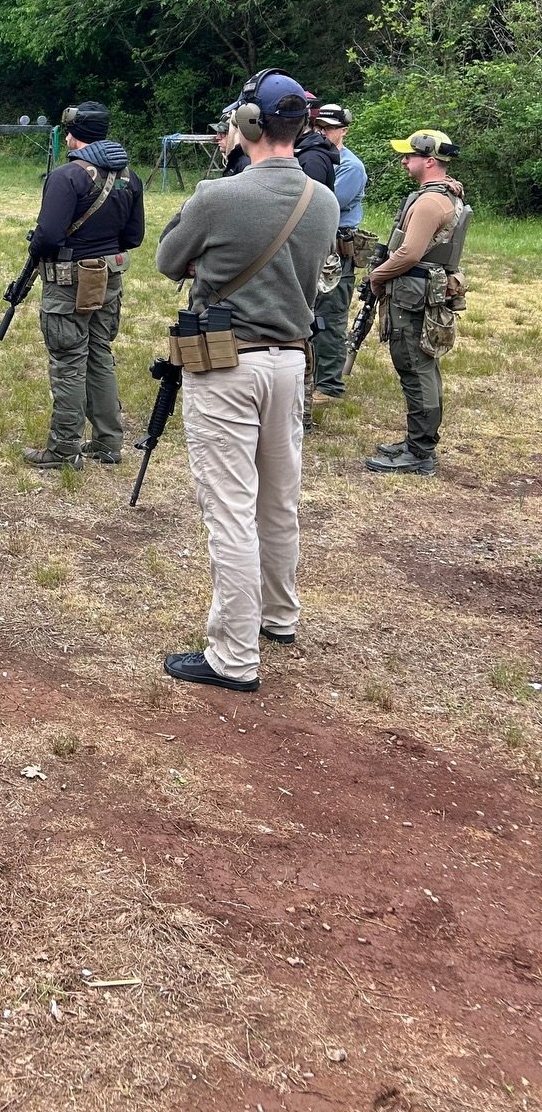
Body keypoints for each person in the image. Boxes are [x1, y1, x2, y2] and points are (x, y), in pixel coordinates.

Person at [155, 71, 338, 691]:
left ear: (250, 127)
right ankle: (278, 615)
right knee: (278, 496)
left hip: (228, 364)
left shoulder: (217, 194)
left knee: (229, 508)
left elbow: (167, 260)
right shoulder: (325, 199)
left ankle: (233, 655)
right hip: (291, 360)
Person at [22, 102, 145, 470]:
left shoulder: (67, 177)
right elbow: (134, 236)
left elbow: (47, 236)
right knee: (100, 356)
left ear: (72, 135)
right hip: (108, 279)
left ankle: (64, 448)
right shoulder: (129, 178)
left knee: (68, 363)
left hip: (68, 284)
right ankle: (108, 442)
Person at [362, 130, 469, 478]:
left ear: (430, 160)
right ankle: (417, 443)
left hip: (412, 294)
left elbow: (409, 252)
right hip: (422, 291)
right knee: (422, 366)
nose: (404, 160)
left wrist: (377, 276)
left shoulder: (428, 202)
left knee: (414, 366)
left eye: (409, 155)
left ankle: (420, 452)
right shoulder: (442, 195)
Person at [310, 104, 368, 398]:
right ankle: (314, 376)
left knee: (331, 315)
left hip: (337, 249)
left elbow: (324, 202)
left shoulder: (350, 166)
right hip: (317, 245)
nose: (322, 133)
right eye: (318, 127)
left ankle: (329, 385)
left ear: (343, 130)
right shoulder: (317, 158)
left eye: (328, 129)